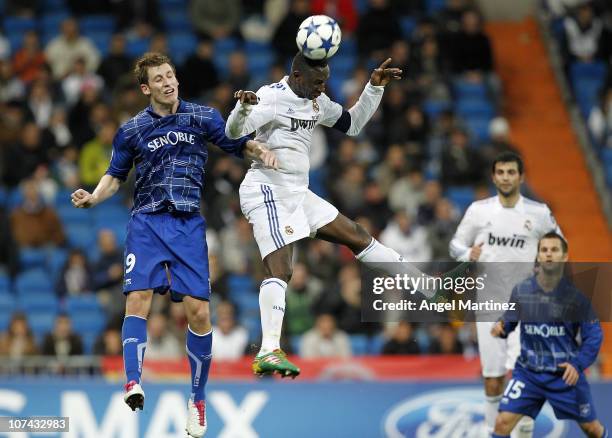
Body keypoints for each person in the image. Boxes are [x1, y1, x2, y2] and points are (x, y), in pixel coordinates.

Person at [71, 52, 277, 438]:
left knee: (199, 313)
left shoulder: (202, 117)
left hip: (187, 225)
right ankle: (133, 382)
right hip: (147, 221)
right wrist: (94, 198)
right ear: (146, 88)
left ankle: (197, 401)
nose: (169, 82)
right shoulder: (131, 130)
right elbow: (115, 175)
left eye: (171, 75)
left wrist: (259, 150)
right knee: (138, 300)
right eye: (160, 79)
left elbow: (236, 143)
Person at [225, 52, 464, 378]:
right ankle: (268, 350)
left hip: (298, 193)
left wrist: (374, 88)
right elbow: (233, 132)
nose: (323, 88)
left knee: (358, 236)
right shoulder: (270, 97)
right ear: (297, 76)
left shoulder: (317, 102)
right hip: (266, 190)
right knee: (281, 269)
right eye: (317, 82)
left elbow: (352, 125)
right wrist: (243, 108)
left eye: (324, 81)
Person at [449, 152, 562, 437]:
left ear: (521, 177)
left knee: (524, 373)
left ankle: (523, 427)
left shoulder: (538, 213)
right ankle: (492, 431)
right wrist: (467, 253)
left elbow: (559, 245)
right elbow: (455, 245)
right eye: (501, 172)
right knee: (493, 379)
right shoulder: (479, 211)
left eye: (511, 172)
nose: (506, 177)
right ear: (493, 176)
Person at [491, 233, 608, 438]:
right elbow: (509, 320)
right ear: (538, 256)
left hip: (564, 376)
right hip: (529, 374)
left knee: (592, 429)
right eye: (544, 250)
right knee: (502, 423)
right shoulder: (522, 291)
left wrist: (578, 364)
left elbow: (594, 336)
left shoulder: (576, 299)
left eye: (554, 250)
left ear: (564, 256)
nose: (548, 254)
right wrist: (501, 327)